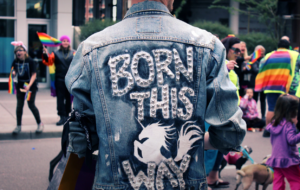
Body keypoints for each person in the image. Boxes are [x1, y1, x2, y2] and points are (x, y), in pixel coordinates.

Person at [64, 0, 246, 189]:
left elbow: (81, 138)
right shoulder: (208, 46)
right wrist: (192, 144)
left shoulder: (92, 48)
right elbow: (230, 134)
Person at [255, 39, 300, 128]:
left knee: (271, 108)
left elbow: (261, 67)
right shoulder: (295, 55)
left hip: (271, 86)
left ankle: (269, 130)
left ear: (278, 46)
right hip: (289, 86)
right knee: (291, 109)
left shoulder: (268, 55)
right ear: (288, 46)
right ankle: (290, 130)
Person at [266, 94, 300, 190]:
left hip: (276, 158)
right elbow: (291, 140)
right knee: (295, 180)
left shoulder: (274, 123)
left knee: (278, 181)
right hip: (288, 159)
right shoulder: (288, 125)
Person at [11, 43, 44, 134]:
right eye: (17, 51)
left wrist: (29, 85)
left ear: (25, 52)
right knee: (19, 106)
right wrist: (13, 72)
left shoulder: (30, 61)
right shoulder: (15, 61)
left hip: (30, 87)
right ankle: (18, 126)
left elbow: (34, 74)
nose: (18, 52)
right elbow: (13, 70)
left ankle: (40, 124)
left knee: (31, 105)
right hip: (20, 87)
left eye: (20, 50)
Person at [42, 35, 75, 125]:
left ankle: (67, 115)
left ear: (69, 42)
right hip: (59, 79)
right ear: (60, 42)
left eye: (67, 41)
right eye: (63, 41)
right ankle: (62, 116)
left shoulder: (74, 53)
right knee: (60, 99)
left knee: (69, 98)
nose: (65, 42)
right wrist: (45, 54)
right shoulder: (55, 53)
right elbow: (48, 61)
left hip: (70, 80)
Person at [243, 45, 266, 118]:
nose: (261, 53)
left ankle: (263, 116)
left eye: (262, 51)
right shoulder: (253, 59)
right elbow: (252, 69)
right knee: (254, 99)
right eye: (260, 51)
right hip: (254, 82)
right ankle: (253, 116)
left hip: (263, 82)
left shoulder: (265, 59)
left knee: (263, 100)